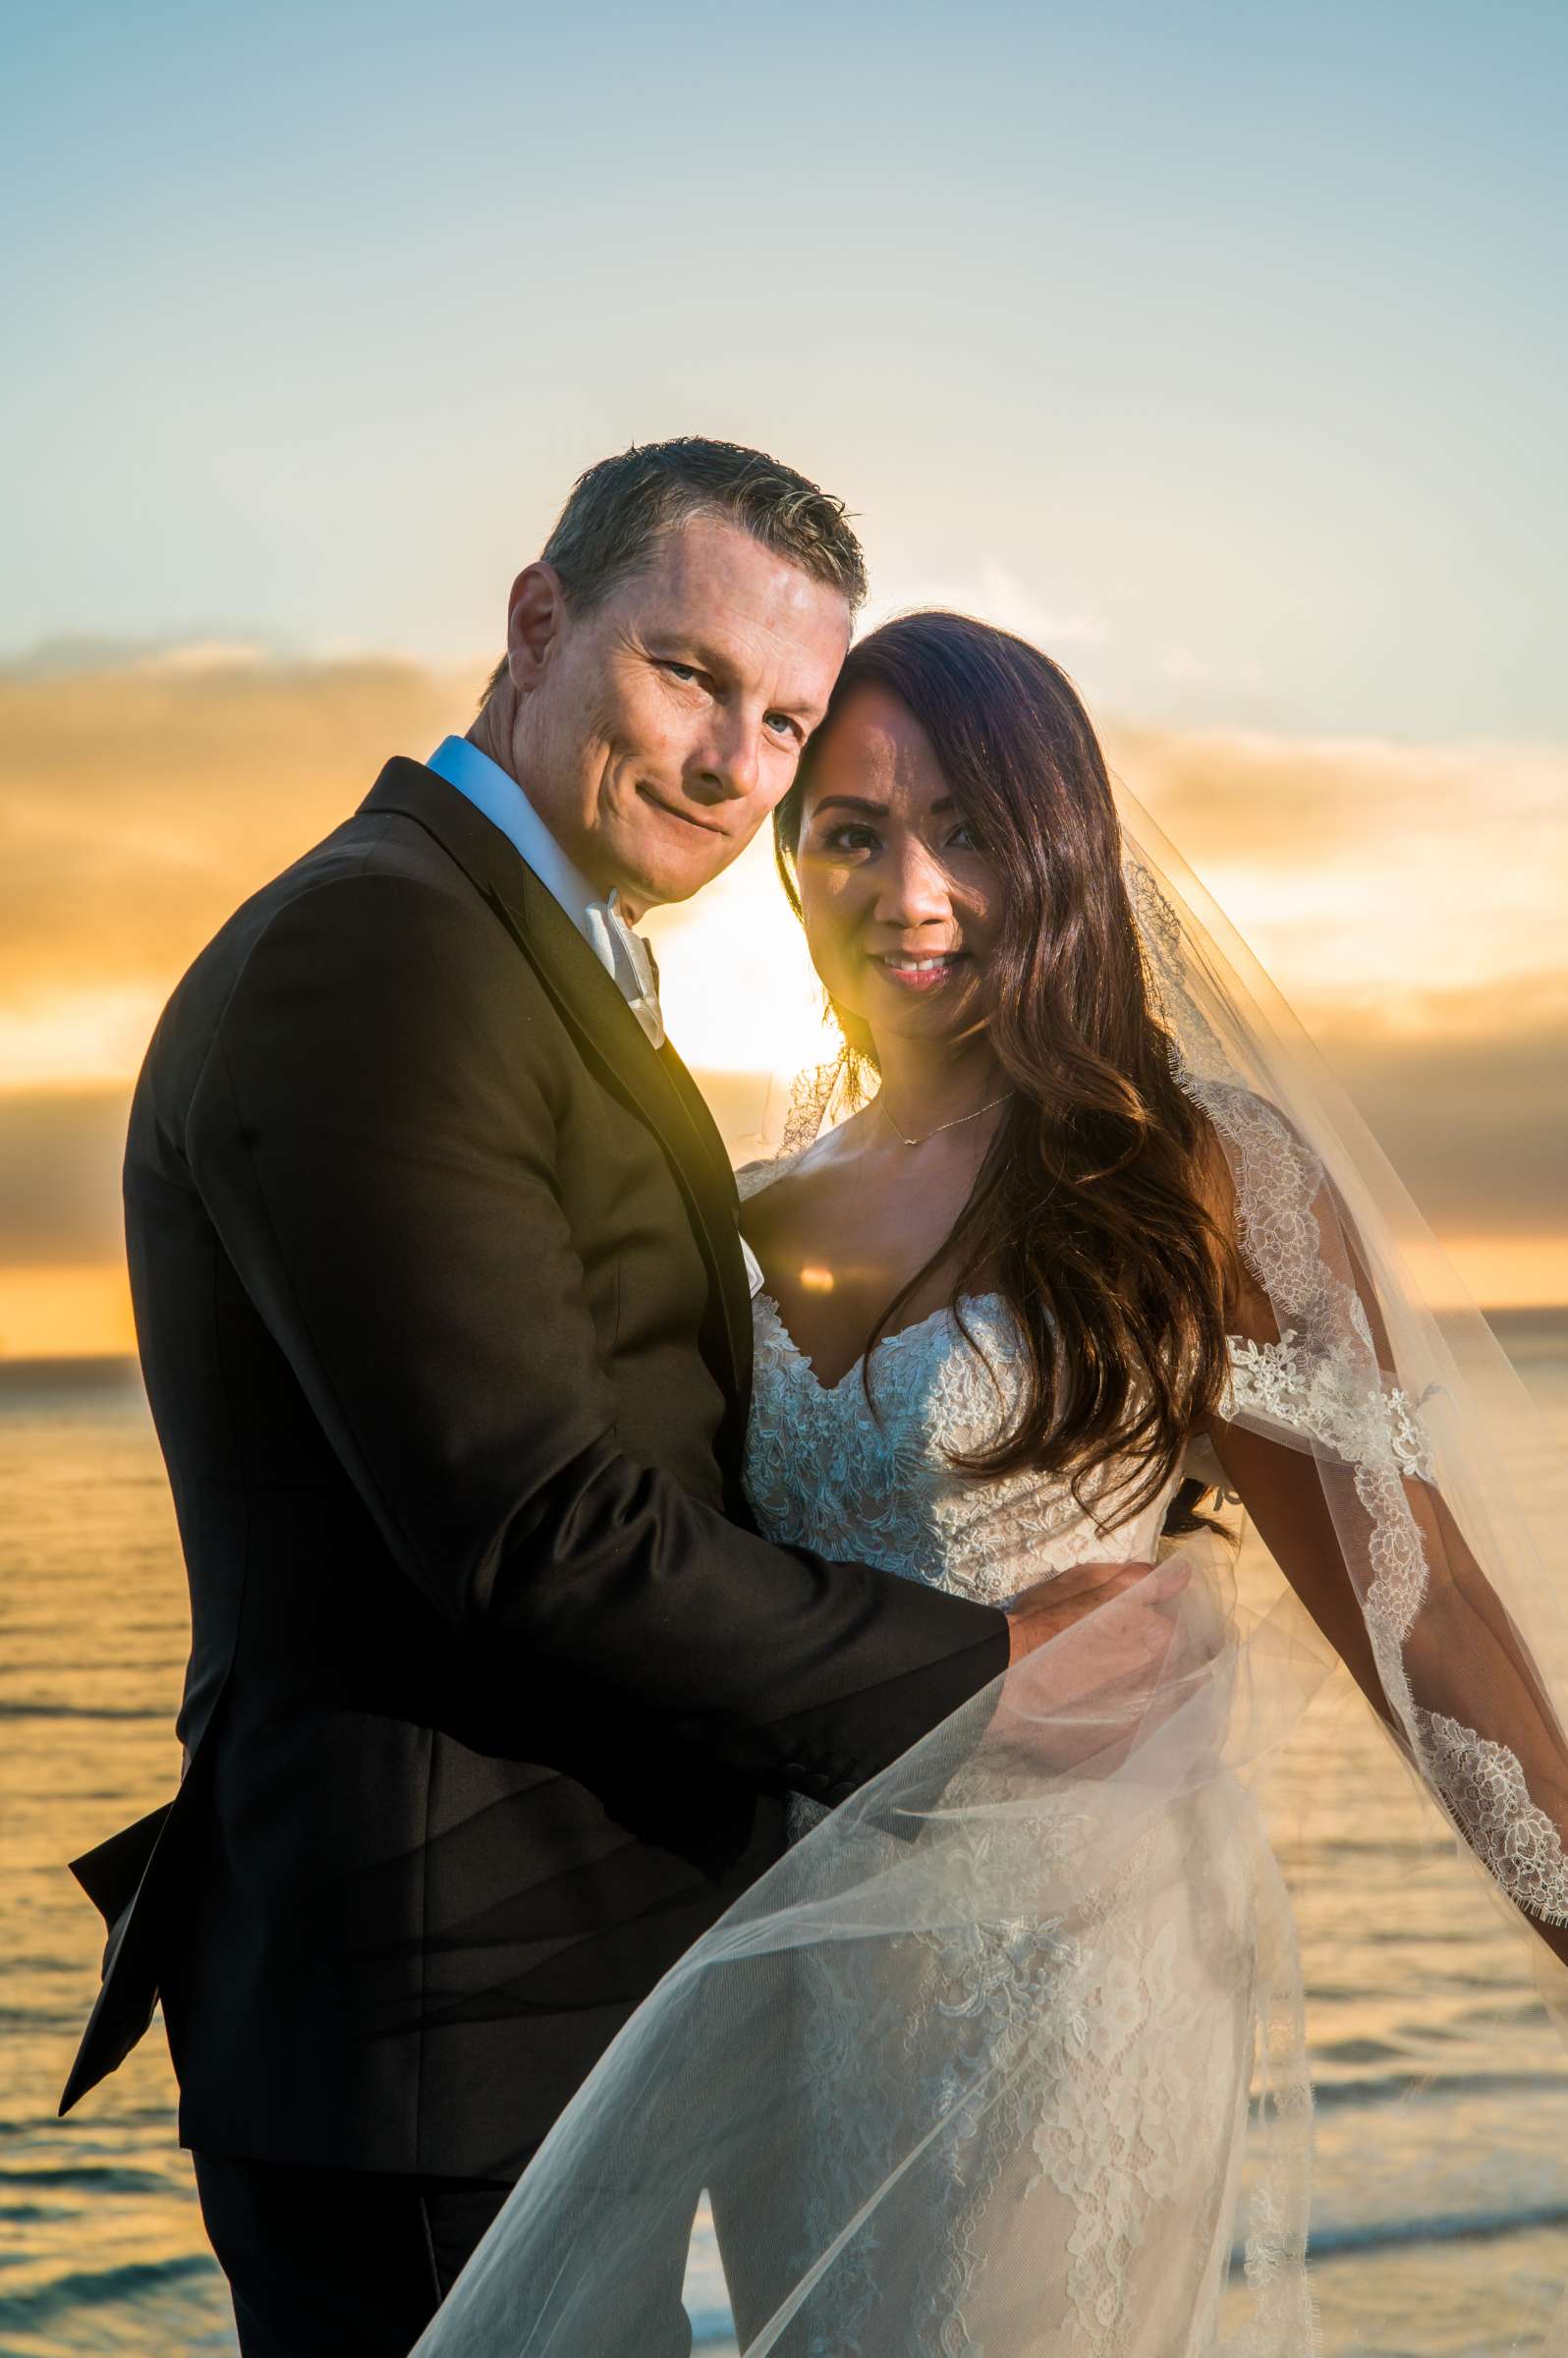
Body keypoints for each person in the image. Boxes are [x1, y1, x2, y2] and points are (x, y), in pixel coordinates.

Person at [56, 445, 1166, 2358]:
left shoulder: (537, 959)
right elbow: (538, 1527)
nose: (736, 764)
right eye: (688, 675)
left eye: (783, 719)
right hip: (424, 2032)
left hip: (552, 2021)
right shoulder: (382, 954)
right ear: (537, 623)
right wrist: (994, 1674)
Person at [408, 612, 1568, 2355]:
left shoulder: (1194, 1174)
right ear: (793, 862)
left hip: (1068, 1986)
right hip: (795, 1995)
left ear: (1064, 848)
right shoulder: (745, 1211)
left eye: (967, 830)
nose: (910, 892)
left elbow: (1431, 1612)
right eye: (854, 835)